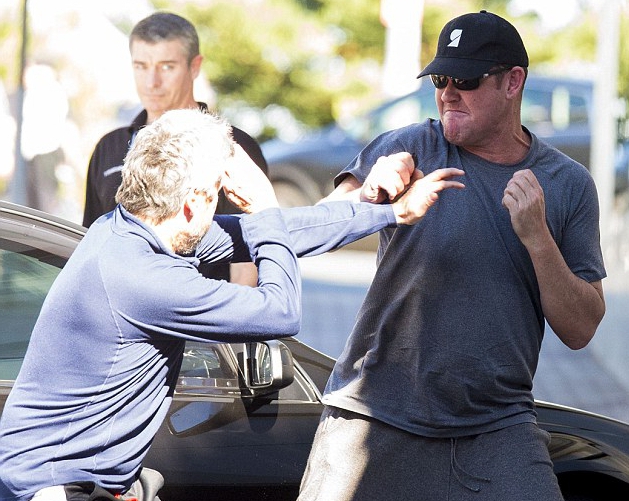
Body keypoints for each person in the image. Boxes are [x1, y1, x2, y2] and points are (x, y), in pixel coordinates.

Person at [0, 107, 465, 501]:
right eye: (217, 193)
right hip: (55, 488)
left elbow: (279, 234)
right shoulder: (144, 279)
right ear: (191, 204)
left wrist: (389, 213)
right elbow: (280, 311)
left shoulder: (129, 229)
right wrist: (262, 206)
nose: (222, 204)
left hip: (81, 479)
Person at [297, 10, 606, 501]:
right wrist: (370, 200)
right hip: (373, 415)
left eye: (466, 80)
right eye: (440, 79)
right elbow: (312, 229)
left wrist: (538, 239)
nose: (447, 94)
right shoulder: (409, 146)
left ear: (513, 82)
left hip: (497, 427)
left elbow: (581, 329)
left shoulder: (567, 183)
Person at [82, 11, 266, 284]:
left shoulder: (232, 147)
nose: (152, 82)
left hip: (203, 308)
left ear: (195, 66)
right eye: (141, 66)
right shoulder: (109, 148)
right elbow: (89, 245)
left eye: (167, 67)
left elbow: (248, 258)